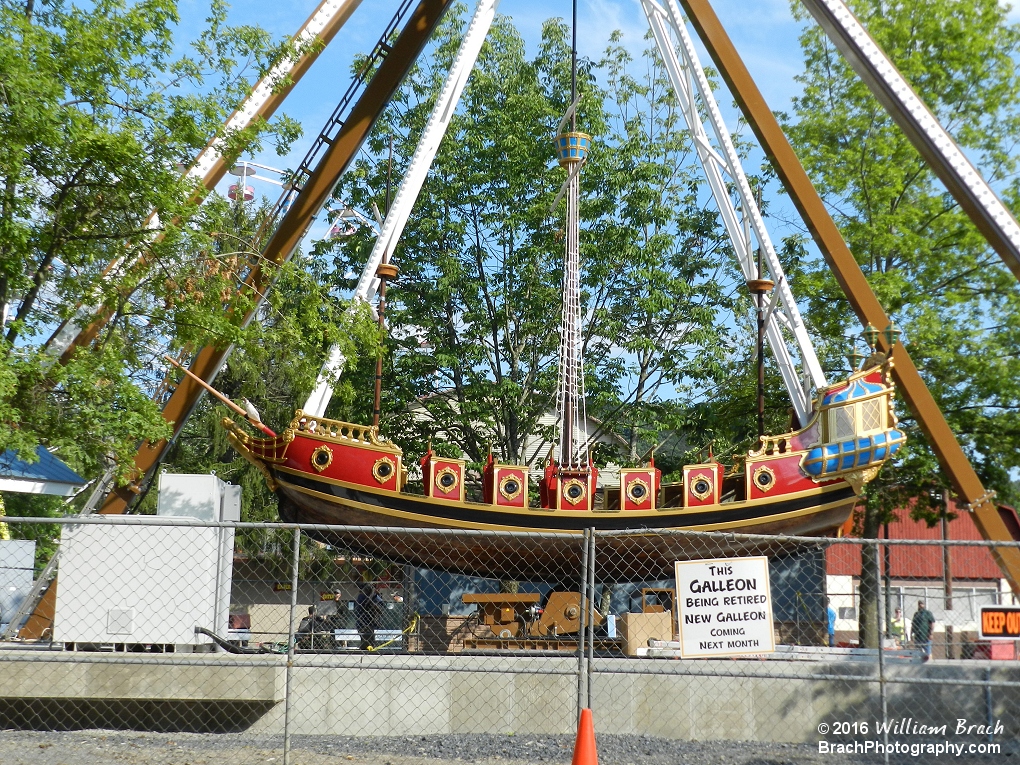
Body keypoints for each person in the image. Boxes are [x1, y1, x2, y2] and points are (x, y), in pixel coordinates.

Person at [355, 582, 383, 650]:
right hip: (362, 622)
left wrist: (374, 604)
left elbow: (381, 610)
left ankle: (368, 648)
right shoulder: (361, 597)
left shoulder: (375, 597)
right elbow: (360, 608)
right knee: (366, 640)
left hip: (370, 622)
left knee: (370, 641)